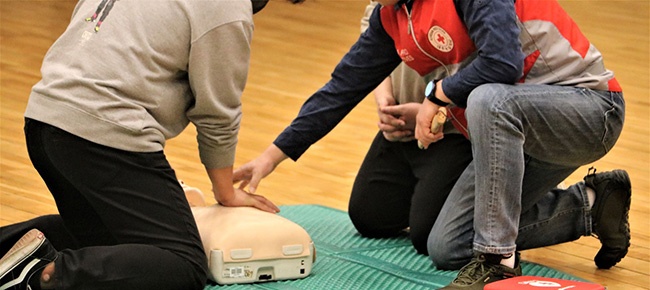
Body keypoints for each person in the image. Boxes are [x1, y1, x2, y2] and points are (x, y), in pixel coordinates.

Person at [232, 0, 631, 289]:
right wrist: (271, 157)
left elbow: (503, 63)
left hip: (591, 110)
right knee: (447, 246)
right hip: (522, 132)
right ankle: (592, 205)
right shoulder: (393, 14)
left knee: (489, 99)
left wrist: (436, 97)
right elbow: (341, 87)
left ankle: (497, 264)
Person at [0, 0, 303, 289]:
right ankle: (41, 275)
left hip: (44, 121)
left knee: (109, 242)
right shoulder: (227, 8)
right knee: (183, 264)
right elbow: (217, 113)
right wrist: (225, 192)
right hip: (102, 135)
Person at [349, 1, 472, 255]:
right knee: (368, 215)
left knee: (428, 235)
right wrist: (383, 96)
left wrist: (435, 113)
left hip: (456, 131)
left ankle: (525, 192)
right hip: (404, 127)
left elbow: (487, 67)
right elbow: (371, 33)